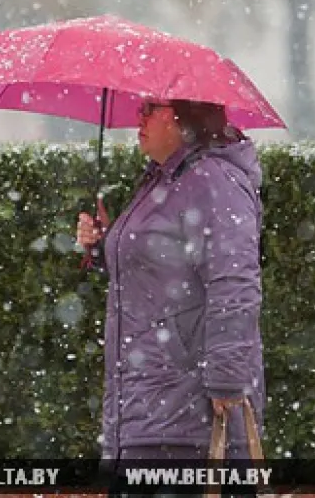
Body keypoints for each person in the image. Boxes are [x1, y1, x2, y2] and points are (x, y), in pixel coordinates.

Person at [77, 98, 266, 497]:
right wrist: (105, 245)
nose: (139, 117)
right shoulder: (161, 181)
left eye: (152, 108)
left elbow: (235, 283)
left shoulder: (214, 181)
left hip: (189, 420)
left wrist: (227, 383)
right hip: (143, 412)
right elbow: (158, 277)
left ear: (185, 116)